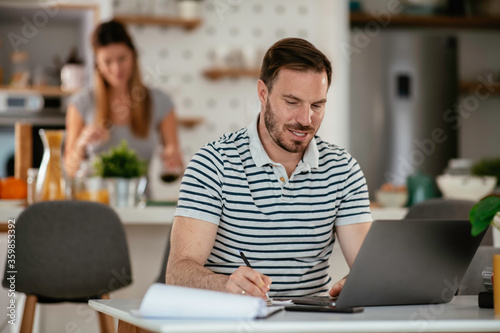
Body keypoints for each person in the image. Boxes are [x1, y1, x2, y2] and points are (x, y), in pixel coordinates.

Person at [166, 38, 372, 299]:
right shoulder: (212, 163)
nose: (305, 119)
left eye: (317, 105)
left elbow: (366, 268)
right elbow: (177, 273)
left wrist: (359, 282)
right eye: (292, 102)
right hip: (231, 323)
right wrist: (224, 285)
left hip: (312, 324)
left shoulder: (344, 170)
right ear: (263, 94)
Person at [64, 20, 182, 178]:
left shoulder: (161, 101)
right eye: (108, 62)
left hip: (141, 201)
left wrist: (173, 159)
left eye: (122, 59)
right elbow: (67, 171)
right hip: (94, 201)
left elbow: (178, 167)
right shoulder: (81, 103)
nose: (116, 69)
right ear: (97, 64)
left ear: (133, 56)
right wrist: (80, 144)